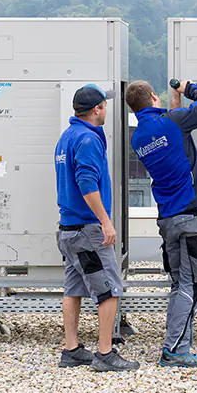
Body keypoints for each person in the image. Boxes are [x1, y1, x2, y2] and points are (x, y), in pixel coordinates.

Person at [126, 79, 197, 368]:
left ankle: (179, 345)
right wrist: (190, 88)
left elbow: (171, 133)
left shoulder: (140, 136)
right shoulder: (173, 122)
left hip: (169, 219)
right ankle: (175, 350)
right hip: (193, 216)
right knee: (192, 285)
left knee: (180, 284)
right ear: (154, 96)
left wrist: (175, 103)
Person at [55, 84, 139, 372]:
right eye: (104, 105)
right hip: (87, 232)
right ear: (96, 110)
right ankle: (105, 353)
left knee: (74, 288)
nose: (107, 109)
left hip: (68, 230)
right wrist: (106, 222)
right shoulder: (88, 140)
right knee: (110, 289)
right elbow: (87, 184)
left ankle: (72, 350)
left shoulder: (67, 137)